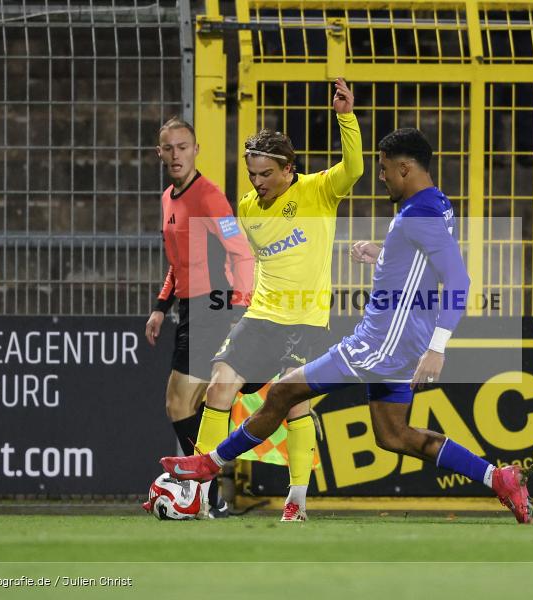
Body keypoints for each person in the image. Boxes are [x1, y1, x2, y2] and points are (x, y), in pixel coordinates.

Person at [162, 128, 533, 524]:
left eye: (386, 169)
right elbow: (422, 258)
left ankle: (208, 464)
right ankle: (498, 478)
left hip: (384, 340)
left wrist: (438, 346)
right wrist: (384, 254)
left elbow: (458, 279)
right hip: (402, 338)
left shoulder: (417, 215)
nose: (381, 177)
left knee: (284, 393)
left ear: (405, 168)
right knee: (393, 435)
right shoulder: (434, 203)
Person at [192, 78, 364, 521]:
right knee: (218, 387)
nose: (258, 181)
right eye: (252, 173)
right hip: (262, 315)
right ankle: (198, 491)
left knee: (293, 403)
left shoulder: (318, 191)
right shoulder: (248, 207)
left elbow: (355, 169)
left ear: (289, 169)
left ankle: (296, 502)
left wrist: (345, 118)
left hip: (306, 319)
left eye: (266, 173)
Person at [146, 116, 255, 518]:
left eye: (182, 146)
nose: (176, 154)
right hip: (190, 309)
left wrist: (240, 309)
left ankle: (204, 490)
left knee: (180, 402)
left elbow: (240, 252)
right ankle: (208, 492)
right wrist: (161, 307)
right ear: (159, 153)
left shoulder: (209, 196)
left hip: (215, 306)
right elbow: (179, 262)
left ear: (195, 150)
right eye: (168, 148)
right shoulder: (168, 199)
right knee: (188, 405)